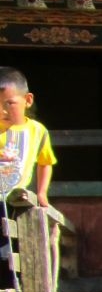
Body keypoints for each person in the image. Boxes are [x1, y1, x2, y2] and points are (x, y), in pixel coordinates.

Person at [0, 68, 56, 207]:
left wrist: (42, 193)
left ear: (28, 100)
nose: (2, 111)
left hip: (16, 200)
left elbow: (45, 163)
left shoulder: (38, 131)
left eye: (9, 103)